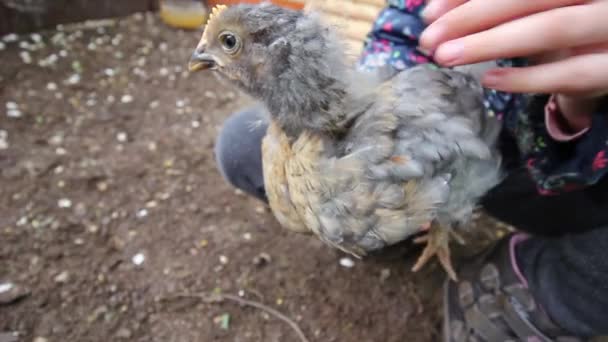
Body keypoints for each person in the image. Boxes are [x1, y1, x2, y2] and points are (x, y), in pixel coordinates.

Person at [214, 0, 608, 340]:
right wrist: (373, 124)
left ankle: (532, 287)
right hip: (448, 143)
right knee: (243, 148)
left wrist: (578, 108)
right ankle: (413, 228)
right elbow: (399, 37)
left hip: (577, 189)